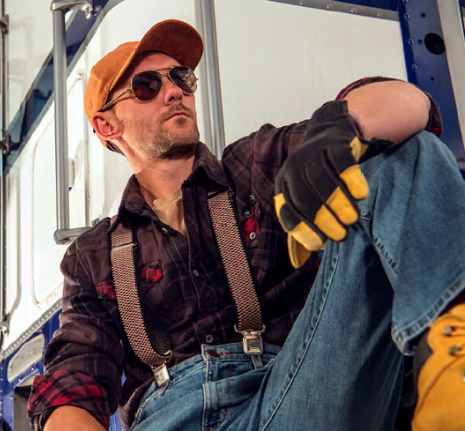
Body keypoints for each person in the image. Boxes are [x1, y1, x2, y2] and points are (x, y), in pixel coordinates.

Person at [27, 19, 465, 431]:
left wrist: (342, 128)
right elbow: (75, 381)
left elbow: (410, 106)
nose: (174, 92)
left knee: (400, 152)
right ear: (106, 125)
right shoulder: (91, 257)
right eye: (146, 86)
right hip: (171, 416)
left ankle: (453, 367)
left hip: (296, 394)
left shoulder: (255, 164)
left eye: (182, 79)